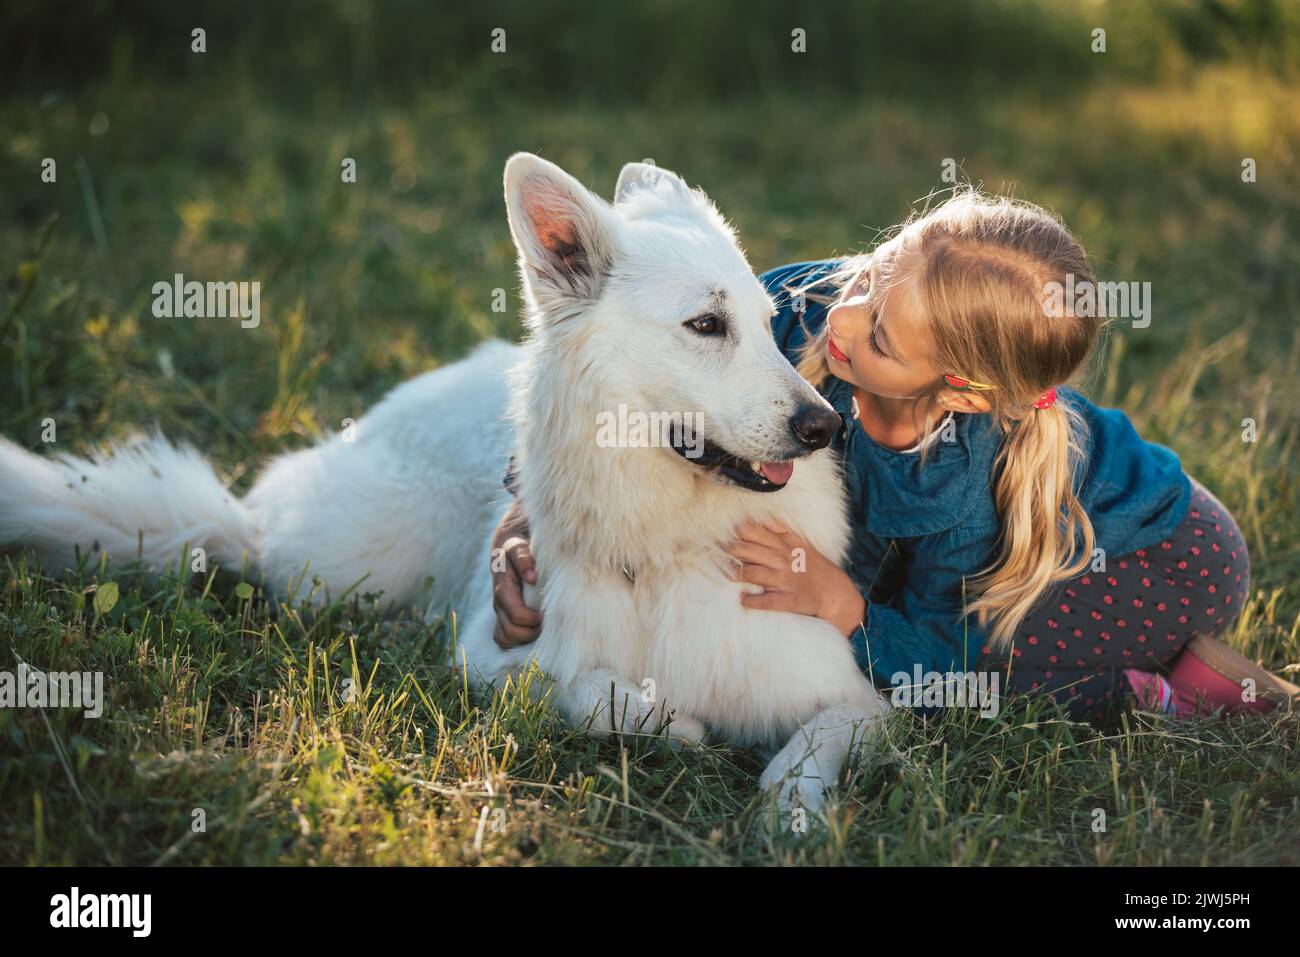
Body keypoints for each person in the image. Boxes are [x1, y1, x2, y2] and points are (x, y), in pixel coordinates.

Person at [489, 190, 1297, 723]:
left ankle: (1162, 688)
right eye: (871, 276)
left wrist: (847, 608)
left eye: (878, 335)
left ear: (963, 393)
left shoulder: (959, 488)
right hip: (1097, 513)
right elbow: (628, 376)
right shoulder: (813, 302)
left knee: (981, 680)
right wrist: (530, 509)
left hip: (1159, 553)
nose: (843, 320)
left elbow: (939, 655)